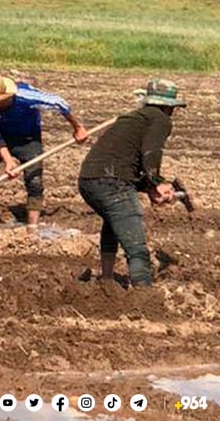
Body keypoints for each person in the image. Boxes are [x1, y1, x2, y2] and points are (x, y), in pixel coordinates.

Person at [78, 78, 186, 288]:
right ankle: (144, 294)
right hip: (111, 182)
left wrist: (149, 187)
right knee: (135, 244)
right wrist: (157, 182)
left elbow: (127, 161)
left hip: (88, 180)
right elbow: (151, 152)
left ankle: (107, 280)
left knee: (114, 222)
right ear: (168, 107)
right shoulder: (161, 120)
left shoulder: (131, 119)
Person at [0, 72, 88, 229]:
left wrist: (78, 128)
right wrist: (8, 161)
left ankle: (32, 226)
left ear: (4, 98)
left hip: (28, 139)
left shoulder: (26, 96)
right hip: (1, 140)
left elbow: (59, 103)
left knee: (34, 181)